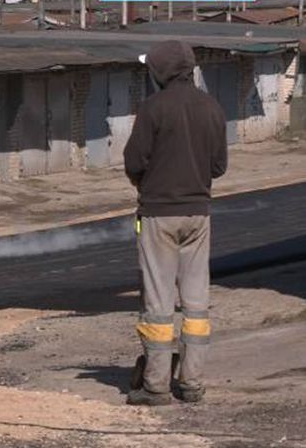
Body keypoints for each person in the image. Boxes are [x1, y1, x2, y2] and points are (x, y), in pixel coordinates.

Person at [124, 40, 228, 406]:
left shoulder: (152, 109)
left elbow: (134, 162)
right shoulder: (211, 107)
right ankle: (192, 383)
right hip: (199, 216)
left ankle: (155, 386)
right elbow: (218, 167)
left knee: (159, 301)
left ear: (160, 72)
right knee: (197, 303)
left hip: (157, 216)